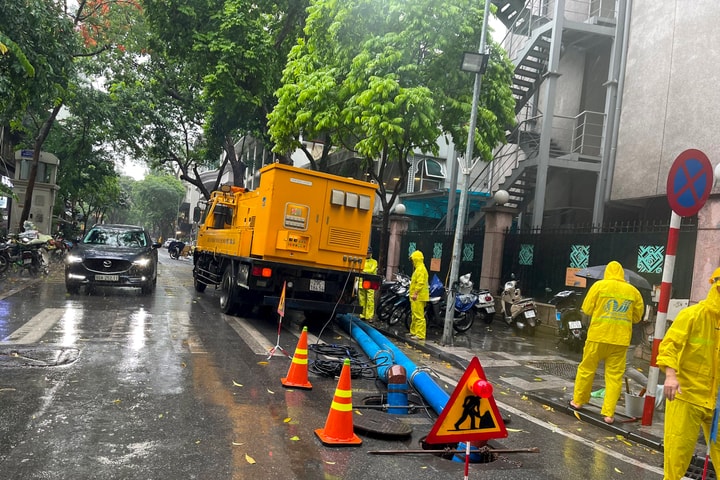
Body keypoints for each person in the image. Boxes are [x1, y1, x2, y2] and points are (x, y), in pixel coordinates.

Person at [656, 267, 720, 480]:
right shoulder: (692, 315)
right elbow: (669, 346)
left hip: (716, 401)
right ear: (715, 288)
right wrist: (671, 376)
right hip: (687, 397)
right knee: (677, 458)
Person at [569, 261, 644, 424]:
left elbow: (587, 309)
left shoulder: (598, 286)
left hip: (598, 337)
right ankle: (609, 414)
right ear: (622, 274)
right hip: (620, 341)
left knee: (587, 369)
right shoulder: (633, 292)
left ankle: (578, 401)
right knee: (614, 376)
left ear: (607, 273)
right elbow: (638, 317)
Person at [408, 250, 429, 340]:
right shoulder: (419, 268)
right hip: (416, 296)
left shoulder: (420, 269)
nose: (412, 262)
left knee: (419, 316)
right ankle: (414, 332)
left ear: (416, 259)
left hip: (418, 297)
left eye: (413, 260)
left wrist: (415, 293)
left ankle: (420, 334)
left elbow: (420, 283)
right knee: (414, 314)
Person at [357, 247, 378, 322]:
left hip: (370, 282)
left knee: (370, 300)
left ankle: (369, 316)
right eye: (367, 253)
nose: (368, 254)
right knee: (362, 299)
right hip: (361, 282)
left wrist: (363, 271)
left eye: (369, 253)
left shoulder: (374, 262)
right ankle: (362, 315)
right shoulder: (361, 261)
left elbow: (372, 270)